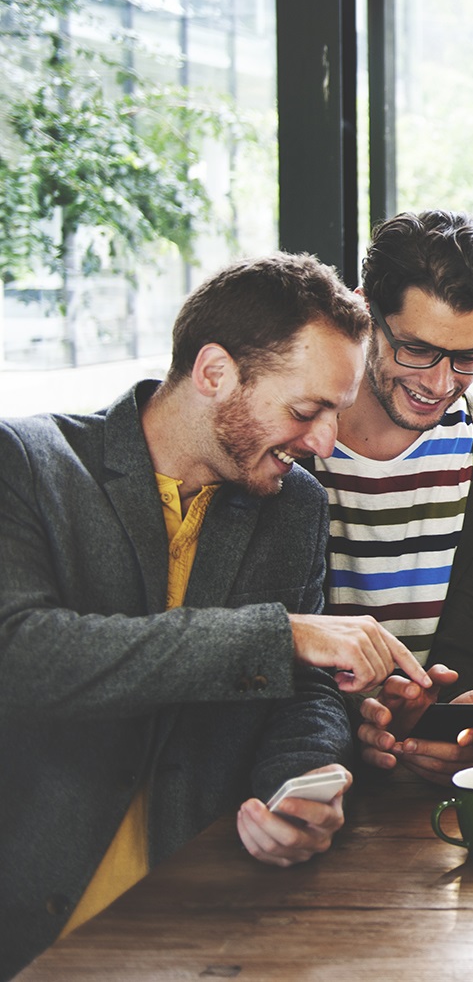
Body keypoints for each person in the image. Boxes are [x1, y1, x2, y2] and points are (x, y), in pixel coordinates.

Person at [0, 254, 428, 977]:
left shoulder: (295, 508)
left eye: (336, 413)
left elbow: (307, 691)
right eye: (306, 411)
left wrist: (300, 785)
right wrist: (281, 634)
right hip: (38, 933)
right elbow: (23, 656)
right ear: (213, 373)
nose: (326, 444)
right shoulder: (29, 463)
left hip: (218, 925)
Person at [321, 211, 473, 786]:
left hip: (457, 787)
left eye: (467, 357)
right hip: (309, 774)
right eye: (416, 350)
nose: (439, 381)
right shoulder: (289, 449)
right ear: (363, 312)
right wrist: (357, 723)